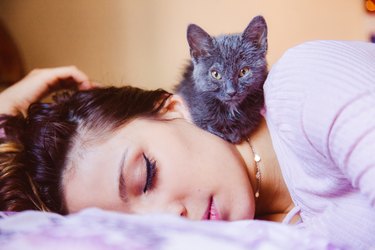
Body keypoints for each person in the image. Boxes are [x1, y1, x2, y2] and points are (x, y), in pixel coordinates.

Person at [0, 41, 374, 249]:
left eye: (146, 176)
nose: (167, 218)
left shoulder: (301, 85)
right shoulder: (268, 235)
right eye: (137, 227)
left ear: (171, 107)